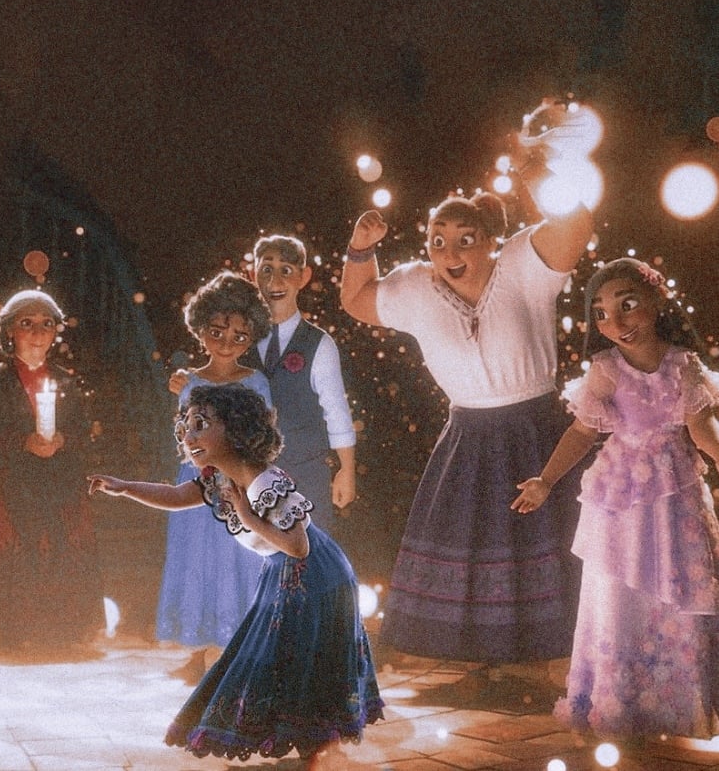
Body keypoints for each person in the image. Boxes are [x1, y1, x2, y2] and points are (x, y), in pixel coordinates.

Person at [339, 109, 593, 664]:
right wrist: (360, 249)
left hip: (537, 430)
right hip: (468, 436)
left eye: (465, 240)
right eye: (438, 242)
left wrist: (530, 169)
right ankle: (490, 659)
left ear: (490, 241)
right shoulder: (415, 288)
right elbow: (356, 300)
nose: (450, 254)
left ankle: (557, 661)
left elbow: (576, 225)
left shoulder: (524, 265)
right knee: (476, 545)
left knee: (552, 545)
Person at [89, 382, 383, 762]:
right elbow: (177, 496)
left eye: (200, 424)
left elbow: (298, 546)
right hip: (285, 572)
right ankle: (309, 750)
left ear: (235, 427)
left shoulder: (265, 481)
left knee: (299, 658)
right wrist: (125, 488)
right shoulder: (219, 479)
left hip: (316, 574)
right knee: (282, 659)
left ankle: (315, 752)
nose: (189, 437)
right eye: (184, 427)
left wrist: (247, 516)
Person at [513, 257, 719, 738]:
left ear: (657, 300)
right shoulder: (606, 369)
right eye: (602, 313)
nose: (616, 322)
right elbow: (582, 432)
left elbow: (702, 428)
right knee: (616, 589)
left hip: (675, 495)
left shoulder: (683, 365)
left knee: (682, 581)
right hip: (620, 495)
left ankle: (676, 699)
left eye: (627, 304)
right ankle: (620, 700)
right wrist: (546, 480)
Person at [0, 288, 103, 654]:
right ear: (9, 331)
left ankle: (61, 627)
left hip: (57, 477)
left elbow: (80, 429)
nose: (37, 332)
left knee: (60, 544)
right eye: (27, 323)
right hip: (15, 479)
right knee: (20, 548)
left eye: (46, 324)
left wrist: (62, 439)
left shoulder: (65, 379)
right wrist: (23, 441)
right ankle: (17, 629)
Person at [156, 271, 273, 677]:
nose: (226, 342)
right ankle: (197, 648)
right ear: (200, 329)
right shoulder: (189, 382)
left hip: (238, 483)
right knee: (195, 561)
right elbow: (184, 433)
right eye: (217, 332)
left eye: (239, 335)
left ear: (251, 337)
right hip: (198, 483)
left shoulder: (256, 382)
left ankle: (234, 648)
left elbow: (264, 433)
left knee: (236, 560)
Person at [249, 233, 356, 532]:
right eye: (266, 269)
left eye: (286, 270)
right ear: (253, 275)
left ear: (303, 277)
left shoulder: (319, 344)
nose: (275, 281)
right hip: (250, 475)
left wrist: (346, 469)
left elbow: (336, 410)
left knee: (306, 549)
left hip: (305, 473)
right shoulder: (240, 339)